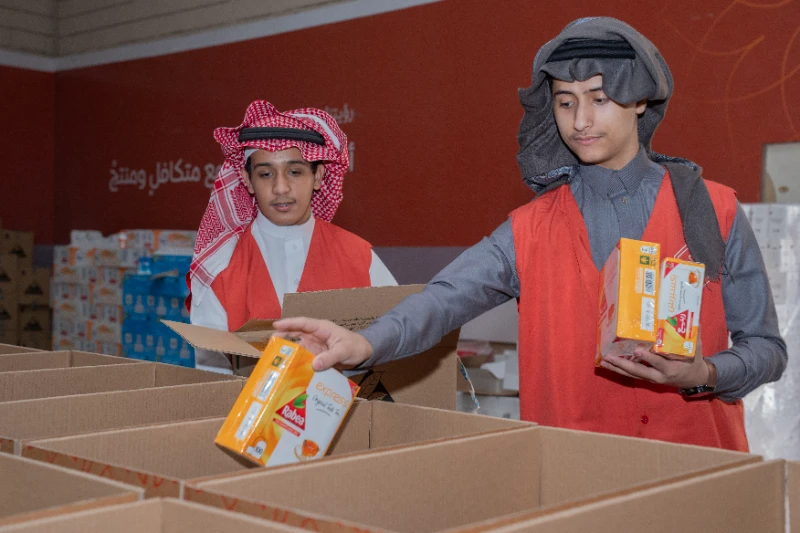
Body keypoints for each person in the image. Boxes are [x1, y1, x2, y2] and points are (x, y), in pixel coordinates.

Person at [274, 18, 787, 451]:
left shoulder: (713, 210)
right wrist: (366, 342)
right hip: (573, 482)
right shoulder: (530, 229)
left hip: (698, 477)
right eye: (565, 102)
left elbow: (767, 350)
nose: (581, 121)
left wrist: (703, 374)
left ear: (638, 101)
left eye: (600, 98)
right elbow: (444, 298)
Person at [188, 100, 396, 373]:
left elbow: (396, 345)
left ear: (318, 176)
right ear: (248, 181)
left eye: (295, 172)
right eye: (265, 174)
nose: (281, 188)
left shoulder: (360, 257)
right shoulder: (219, 267)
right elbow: (211, 375)